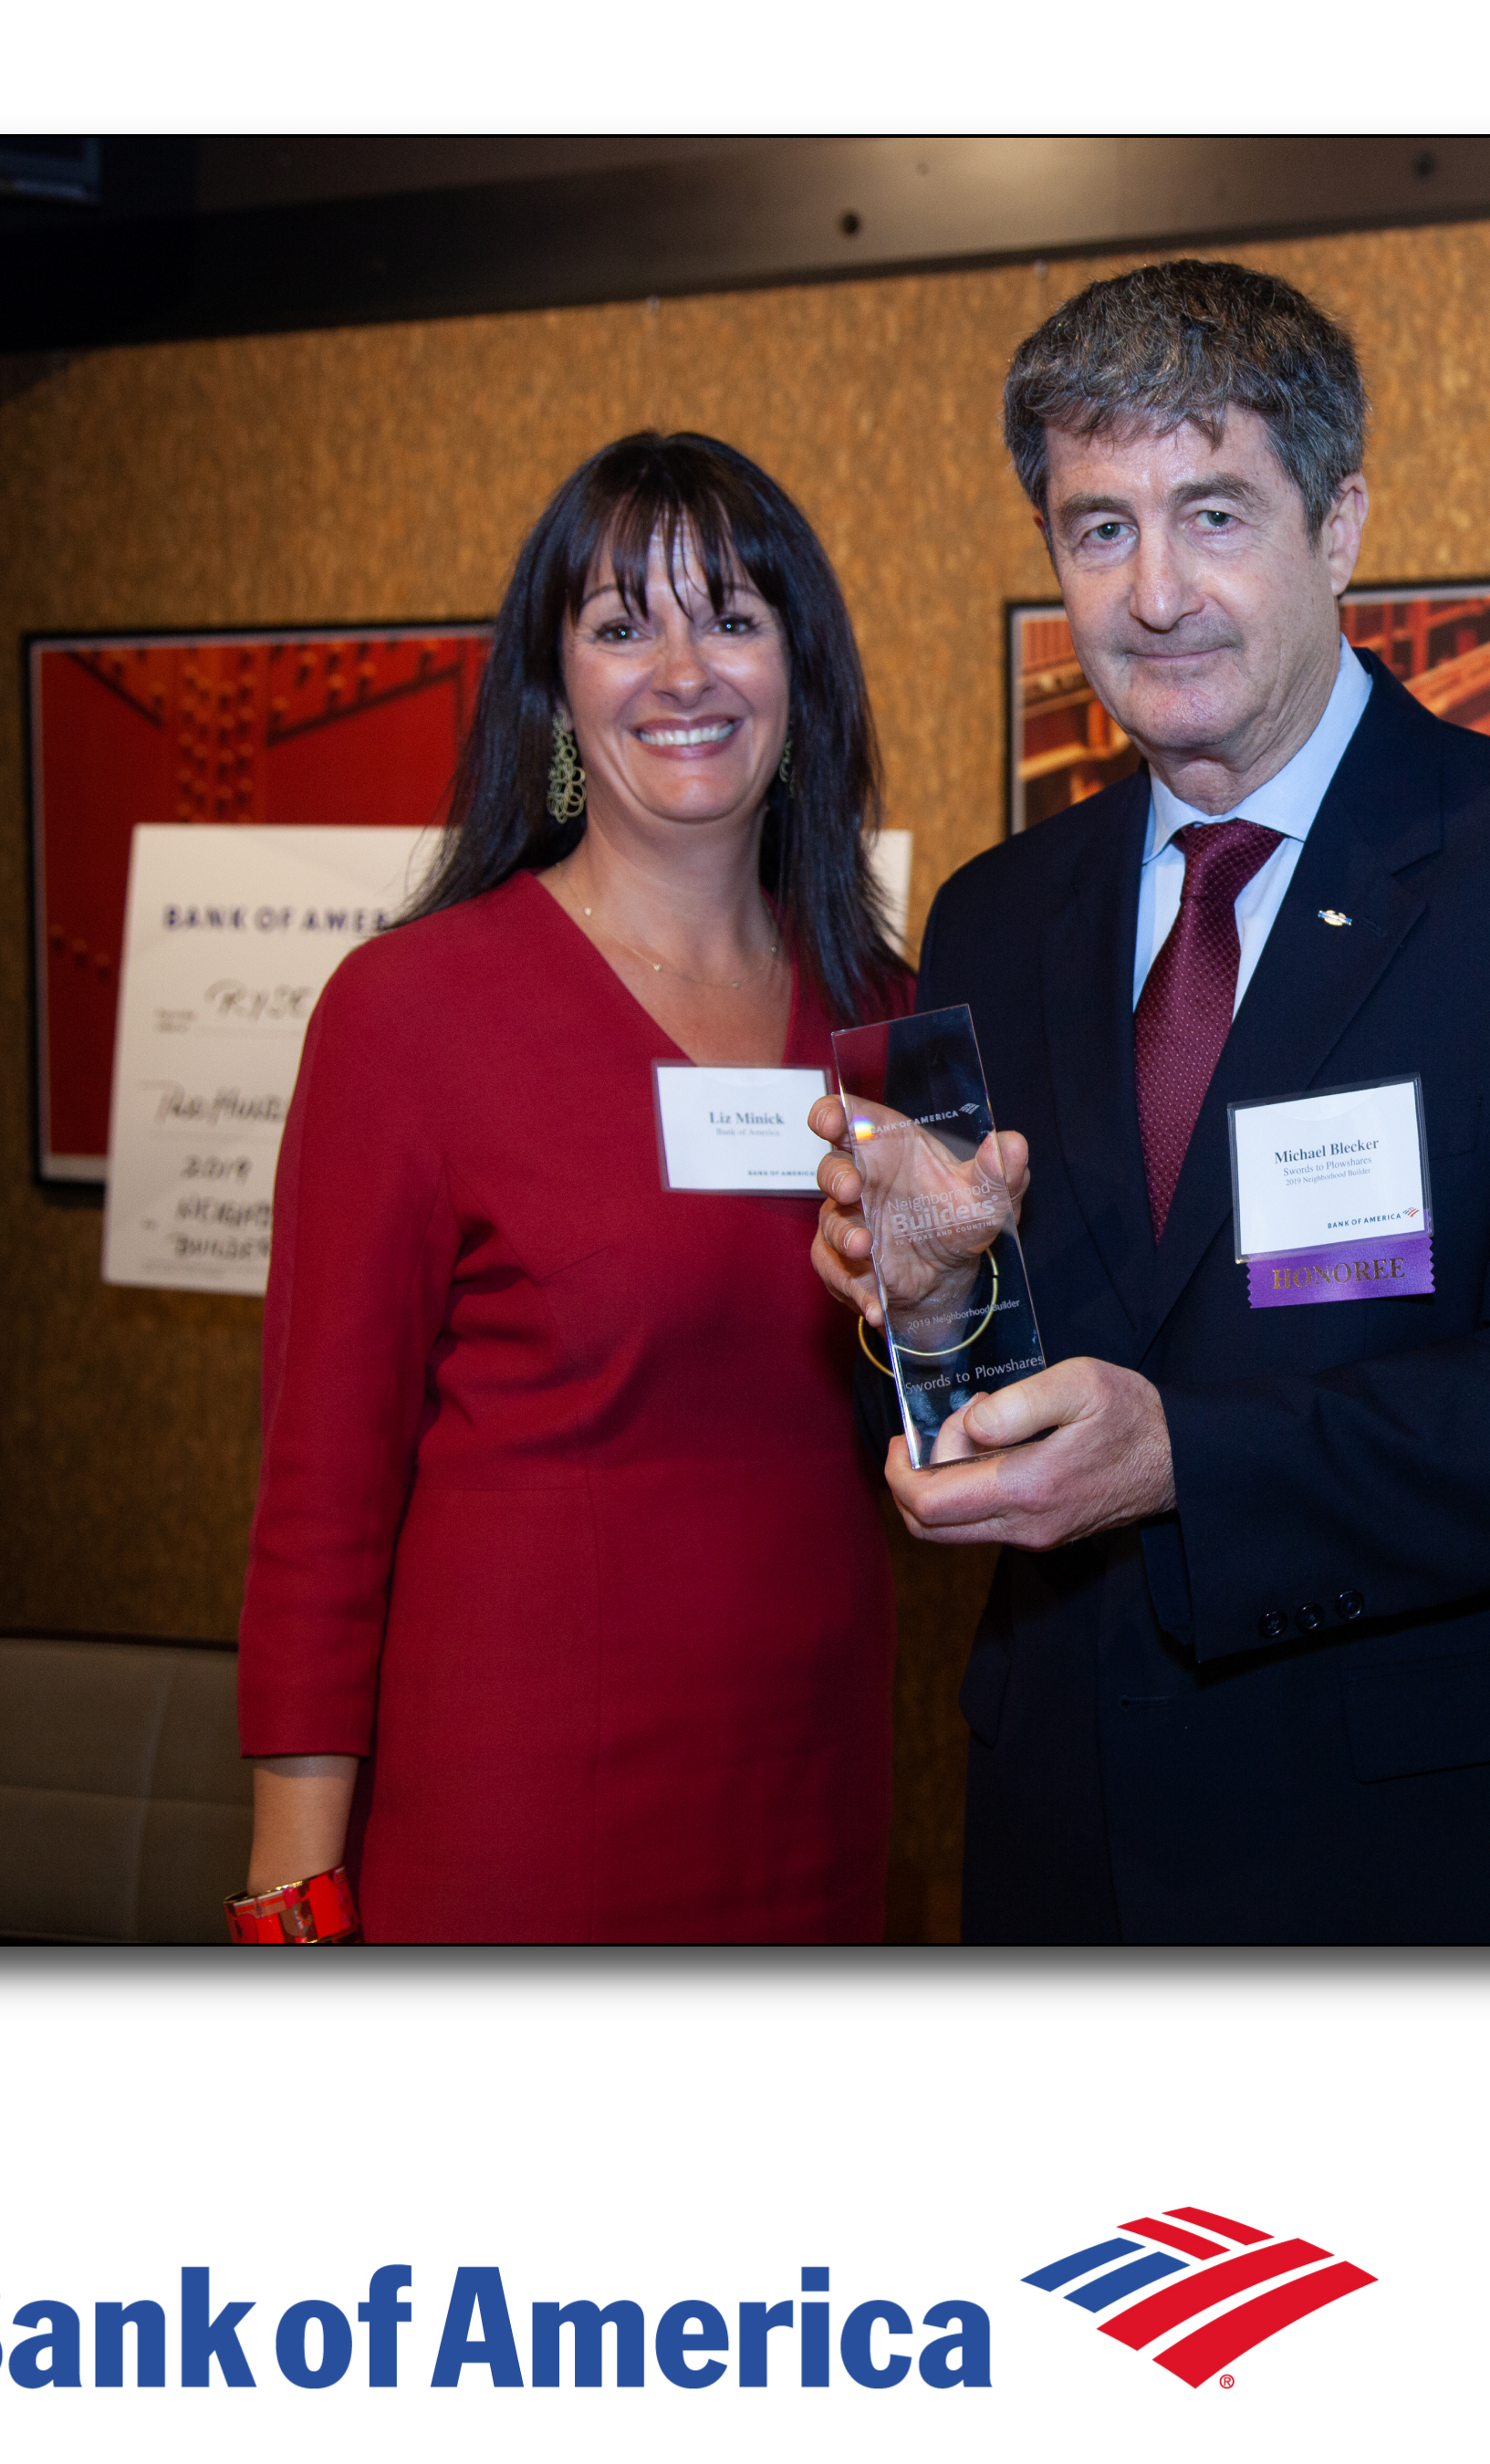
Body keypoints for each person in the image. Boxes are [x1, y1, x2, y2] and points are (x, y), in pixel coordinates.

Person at [808, 259, 1490, 1943]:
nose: (1155, 592)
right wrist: (930, 1310)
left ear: (1342, 524)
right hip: (1070, 1833)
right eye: (1098, 528)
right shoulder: (998, 915)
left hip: (1433, 1854)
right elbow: (1009, 1375)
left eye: (1214, 512)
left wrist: (1187, 1465)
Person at [234, 432, 906, 1943]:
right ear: (554, 691)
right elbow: (320, 1502)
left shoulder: (887, 1021)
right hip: (519, 1824)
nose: (685, 670)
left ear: (803, 674)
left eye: (735, 617)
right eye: (622, 626)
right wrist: (291, 1898)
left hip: (813, 1808)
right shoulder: (413, 1014)